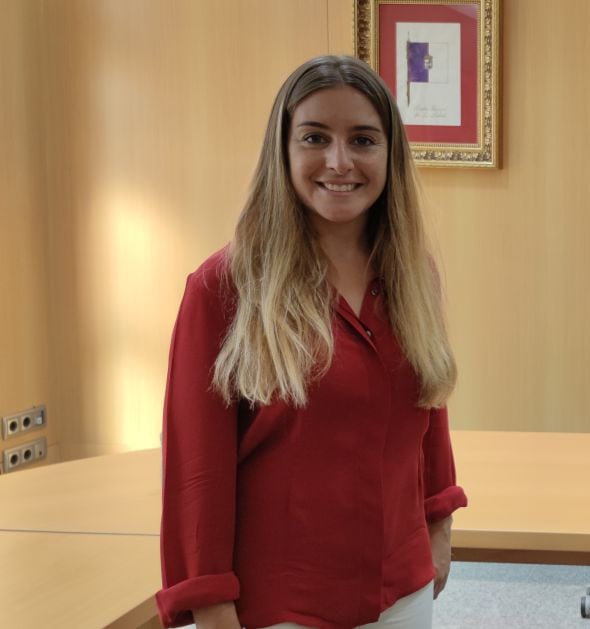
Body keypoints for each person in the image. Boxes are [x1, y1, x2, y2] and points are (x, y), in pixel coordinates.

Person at [155, 55, 467, 629]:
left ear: (390, 154)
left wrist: (439, 523)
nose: (340, 162)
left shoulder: (412, 273)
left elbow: (429, 405)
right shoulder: (224, 288)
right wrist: (210, 602)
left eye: (364, 140)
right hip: (282, 605)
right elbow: (197, 467)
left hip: (401, 588)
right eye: (315, 138)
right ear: (284, 151)